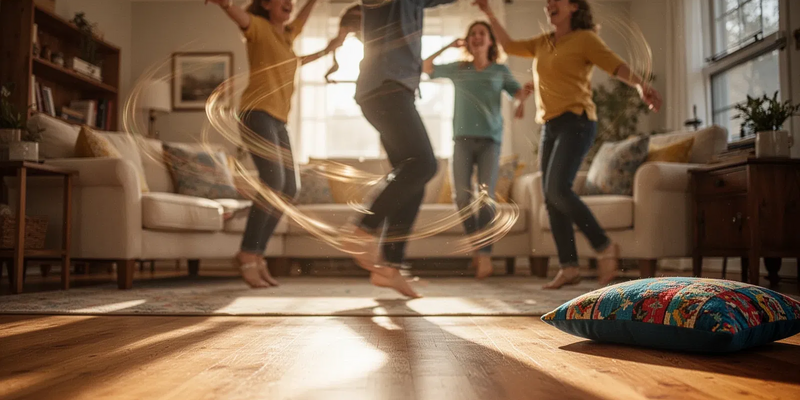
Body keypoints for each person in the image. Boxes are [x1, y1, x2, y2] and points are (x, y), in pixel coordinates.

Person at [474, 0, 662, 289]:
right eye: (547, 2)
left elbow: (615, 65)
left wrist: (640, 85)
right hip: (550, 126)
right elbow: (510, 46)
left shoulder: (585, 39)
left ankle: (604, 246)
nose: (549, 4)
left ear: (573, 7)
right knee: (551, 196)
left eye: (555, 0)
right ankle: (569, 266)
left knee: (558, 188)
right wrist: (488, 13)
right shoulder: (542, 42)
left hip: (578, 121)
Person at [206, 0, 350, 288]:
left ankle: (256, 254)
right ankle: (248, 252)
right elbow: (236, 14)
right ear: (267, 4)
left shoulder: (287, 36)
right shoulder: (257, 27)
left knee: (289, 188)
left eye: (292, 1)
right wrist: (224, 3)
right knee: (273, 182)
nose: (289, 4)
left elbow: (296, 51)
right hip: (256, 114)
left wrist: (327, 47)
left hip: (278, 120)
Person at [341, 0, 458, 298]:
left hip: (392, 90)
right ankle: (362, 228)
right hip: (385, 88)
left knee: (413, 180)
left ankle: (391, 267)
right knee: (425, 165)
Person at [422, 21, 533, 279]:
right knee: (461, 197)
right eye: (472, 34)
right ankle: (476, 243)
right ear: (467, 40)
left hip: (489, 143)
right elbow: (425, 66)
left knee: (486, 197)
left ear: (490, 41)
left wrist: (522, 98)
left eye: (482, 33)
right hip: (461, 141)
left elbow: (517, 93)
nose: (476, 37)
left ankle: (483, 255)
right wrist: (449, 45)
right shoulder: (459, 69)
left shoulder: (499, 70)